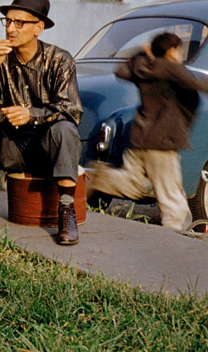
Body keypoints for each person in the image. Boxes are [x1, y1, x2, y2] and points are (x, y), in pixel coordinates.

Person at [0, 0, 83, 245]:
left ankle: (66, 211)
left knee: (66, 130)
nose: (11, 29)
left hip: (48, 149)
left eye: (19, 23)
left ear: (38, 28)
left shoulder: (60, 60)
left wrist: (31, 115)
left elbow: (71, 111)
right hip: (12, 148)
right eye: (8, 21)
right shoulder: (0, 60)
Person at [87, 32, 208, 231]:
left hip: (139, 138)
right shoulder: (171, 68)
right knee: (172, 196)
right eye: (179, 50)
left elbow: (122, 71)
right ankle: (175, 234)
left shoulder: (144, 68)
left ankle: (101, 177)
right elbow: (195, 83)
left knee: (134, 184)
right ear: (171, 50)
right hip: (162, 142)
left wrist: (142, 55)